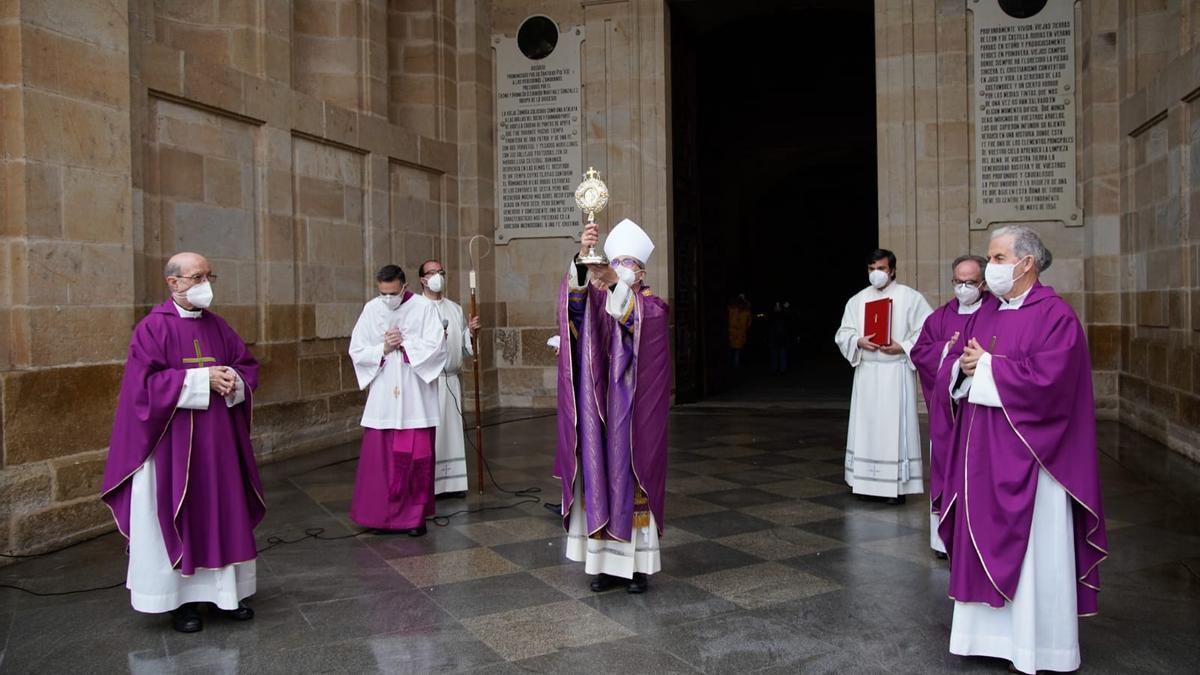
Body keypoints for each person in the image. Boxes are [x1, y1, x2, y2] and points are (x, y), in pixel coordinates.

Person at [937, 226, 1107, 674]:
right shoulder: (987, 313)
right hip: (982, 456)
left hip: (1035, 459)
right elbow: (961, 365)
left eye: (996, 258)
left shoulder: (1057, 316)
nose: (989, 267)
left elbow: (1053, 384)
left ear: (1025, 262)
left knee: (1035, 553)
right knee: (980, 537)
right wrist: (961, 368)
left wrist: (988, 368)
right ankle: (984, 638)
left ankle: (1036, 647)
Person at [101, 252, 263, 634]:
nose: (205, 284)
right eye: (196, 277)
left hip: (218, 445)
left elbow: (246, 365)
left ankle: (224, 596)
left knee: (222, 512)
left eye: (209, 275)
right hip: (173, 447)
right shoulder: (151, 329)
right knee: (179, 515)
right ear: (173, 283)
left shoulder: (219, 326)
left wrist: (232, 379)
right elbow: (142, 390)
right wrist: (199, 380)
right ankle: (180, 603)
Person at [554, 218, 671, 594]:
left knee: (632, 478)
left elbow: (637, 319)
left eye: (627, 265)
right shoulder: (601, 301)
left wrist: (615, 281)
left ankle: (637, 567)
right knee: (600, 475)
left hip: (635, 415)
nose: (620, 269)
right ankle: (604, 565)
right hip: (599, 412)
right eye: (615, 262)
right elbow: (574, 312)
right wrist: (582, 258)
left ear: (641, 272)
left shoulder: (653, 307)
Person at [347, 264, 448, 536]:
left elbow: (437, 347)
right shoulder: (372, 309)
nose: (388, 299)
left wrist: (404, 344)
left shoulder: (423, 308)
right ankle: (381, 517)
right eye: (383, 293)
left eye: (392, 293)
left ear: (404, 287)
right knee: (380, 463)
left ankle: (414, 518)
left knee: (417, 458)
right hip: (384, 397)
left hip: (415, 394)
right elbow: (356, 349)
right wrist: (383, 347)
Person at [834, 248, 933, 504]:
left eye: (881, 268)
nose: (876, 274)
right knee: (866, 427)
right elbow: (843, 333)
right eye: (871, 269)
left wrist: (904, 346)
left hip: (895, 371)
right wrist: (858, 341)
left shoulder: (910, 298)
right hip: (867, 373)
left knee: (893, 427)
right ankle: (864, 482)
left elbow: (928, 331)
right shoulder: (857, 300)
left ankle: (895, 488)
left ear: (893, 270)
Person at [910, 254, 989, 558]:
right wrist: (946, 350)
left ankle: (975, 539)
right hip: (947, 414)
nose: (962, 287)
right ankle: (943, 541)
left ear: (982, 283)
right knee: (944, 469)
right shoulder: (939, 317)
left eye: (969, 282)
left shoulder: (996, 313)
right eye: (958, 281)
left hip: (981, 412)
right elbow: (920, 352)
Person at [416, 259, 481, 498]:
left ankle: (452, 484)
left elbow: (463, 346)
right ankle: (430, 484)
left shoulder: (454, 308)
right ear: (422, 279)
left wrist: (470, 334)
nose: (437, 276)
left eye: (440, 271)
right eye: (431, 272)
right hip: (428, 382)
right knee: (433, 433)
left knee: (450, 432)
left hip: (451, 379)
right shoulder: (416, 308)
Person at [727, 293, 752, 368]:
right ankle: (735, 367)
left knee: (731, 351)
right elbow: (749, 324)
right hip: (740, 334)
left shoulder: (731, 309)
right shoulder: (747, 311)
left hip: (731, 333)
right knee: (737, 352)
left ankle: (730, 367)